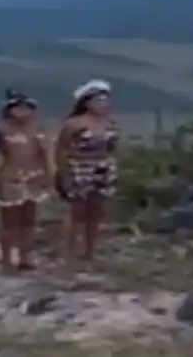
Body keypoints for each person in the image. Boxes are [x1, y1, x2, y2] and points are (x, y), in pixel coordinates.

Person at [55, 80, 119, 268]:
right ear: (87, 102)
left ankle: (89, 252)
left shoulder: (110, 123)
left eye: (106, 100)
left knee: (96, 212)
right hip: (79, 168)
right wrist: (64, 174)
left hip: (104, 168)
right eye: (98, 100)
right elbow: (62, 149)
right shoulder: (74, 124)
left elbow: (114, 148)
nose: (103, 104)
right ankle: (69, 253)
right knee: (77, 212)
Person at [0, 90, 50, 272]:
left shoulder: (38, 129)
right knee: (10, 221)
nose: (22, 111)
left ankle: (25, 256)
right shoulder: (0, 130)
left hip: (33, 177)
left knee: (29, 220)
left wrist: (48, 176)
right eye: (18, 107)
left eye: (26, 108)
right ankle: (7, 258)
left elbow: (44, 155)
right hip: (9, 177)